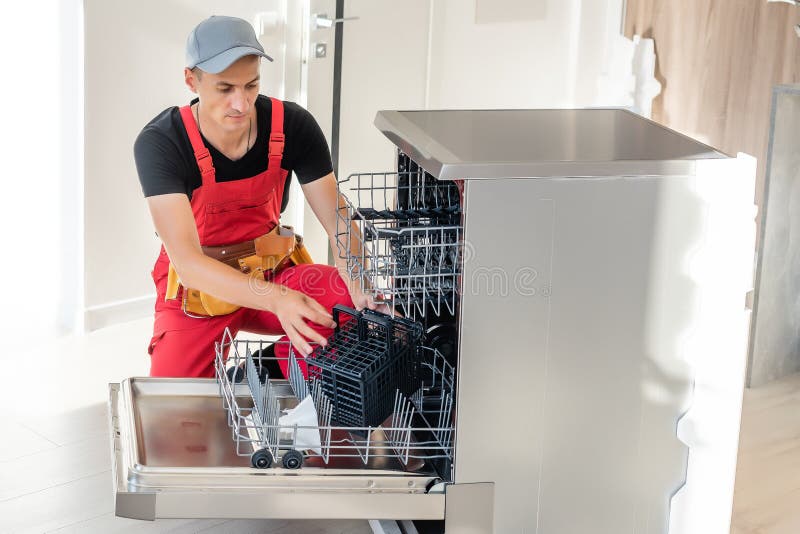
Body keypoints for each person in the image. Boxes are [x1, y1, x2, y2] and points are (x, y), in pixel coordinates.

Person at [134, 15, 373, 378]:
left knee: (348, 308)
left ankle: (260, 373)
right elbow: (188, 264)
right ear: (191, 79)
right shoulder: (163, 143)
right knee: (176, 409)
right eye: (225, 88)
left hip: (272, 272)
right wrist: (277, 299)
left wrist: (361, 286)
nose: (241, 104)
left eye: (251, 85)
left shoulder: (292, 125)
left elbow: (340, 222)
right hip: (197, 293)